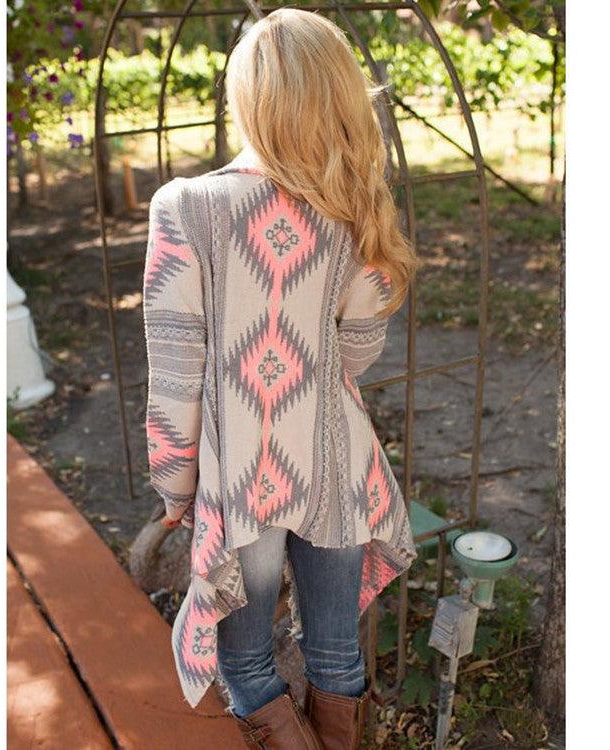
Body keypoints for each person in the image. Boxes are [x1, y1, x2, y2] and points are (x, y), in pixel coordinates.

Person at [142, 8, 418, 749]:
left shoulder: (186, 208)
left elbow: (176, 373)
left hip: (241, 478)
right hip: (334, 462)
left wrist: (175, 484)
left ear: (247, 98)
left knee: (246, 659)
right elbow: (356, 352)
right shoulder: (354, 208)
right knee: (336, 652)